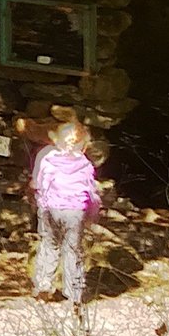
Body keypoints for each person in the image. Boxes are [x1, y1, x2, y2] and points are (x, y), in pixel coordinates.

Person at [30, 118, 103, 305]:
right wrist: (92, 215)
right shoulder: (86, 165)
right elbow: (91, 192)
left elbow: (40, 185)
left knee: (49, 245)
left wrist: (41, 206)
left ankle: (43, 285)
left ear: (56, 142)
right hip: (75, 212)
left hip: (51, 209)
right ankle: (74, 293)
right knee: (73, 251)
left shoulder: (48, 160)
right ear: (84, 147)